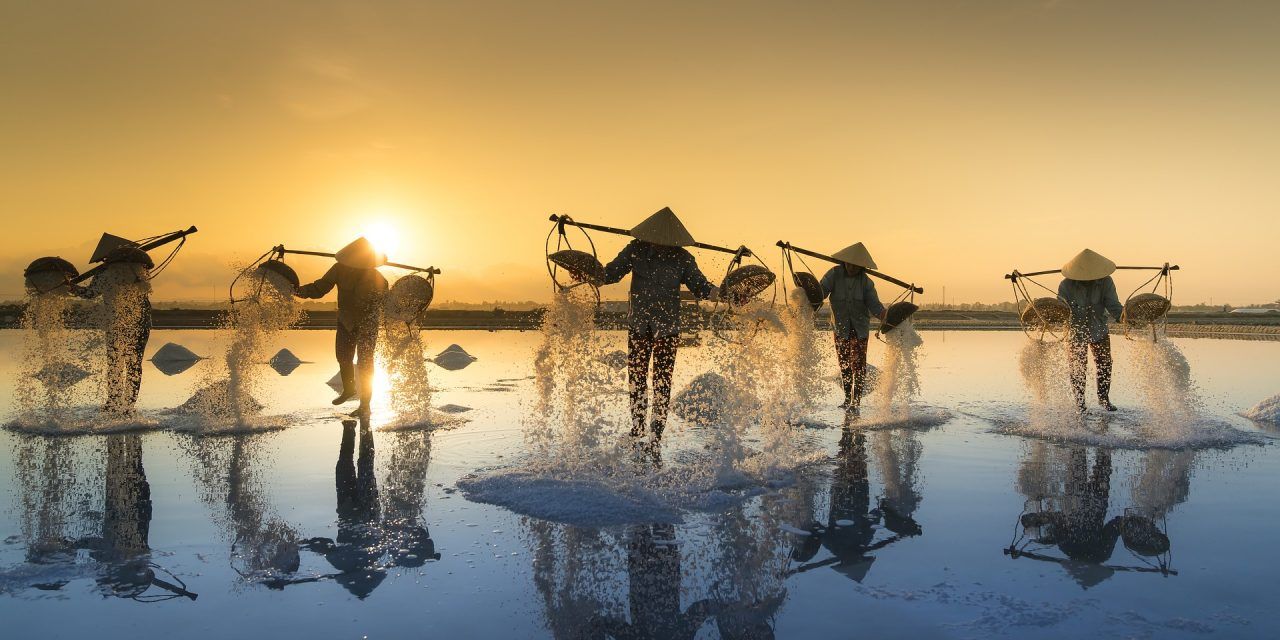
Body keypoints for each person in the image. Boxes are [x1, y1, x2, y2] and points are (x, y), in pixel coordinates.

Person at [602, 207, 719, 441]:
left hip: (667, 329)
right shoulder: (635, 249)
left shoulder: (683, 258)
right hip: (638, 326)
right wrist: (588, 272)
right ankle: (637, 429)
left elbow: (701, 288)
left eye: (664, 243)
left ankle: (656, 435)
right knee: (637, 378)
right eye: (655, 241)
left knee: (662, 381)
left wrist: (724, 293)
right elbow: (610, 274)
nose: (659, 245)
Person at [295, 237, 389, 418]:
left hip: (367, 323)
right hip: (346, 319)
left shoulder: (377, 277)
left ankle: (365, 405)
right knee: (343, 356)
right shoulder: (338, 269)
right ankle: (349, 388)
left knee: (365, 363)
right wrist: (298, 290)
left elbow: (386, 301)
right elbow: (319, 288)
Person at [72, 247, 155, 415]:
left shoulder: (133, 272)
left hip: (135, 325)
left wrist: (72, 288)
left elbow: (89, 293)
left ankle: (124, 405)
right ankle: (117, 403)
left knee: (125, 364)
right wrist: (71, 287)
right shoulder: (132, 272)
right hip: (120, 325)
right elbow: (90, 293)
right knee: (125, 364)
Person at [819, 243, 886, 412]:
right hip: (840, 329)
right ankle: (847, 398)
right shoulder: (833, 275)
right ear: (844, 262)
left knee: (858, 367)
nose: (852, 268)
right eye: (849, 264)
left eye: (856, 266)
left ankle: (856, 402)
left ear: (861, 267)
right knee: (845, 365)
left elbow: (875, 307)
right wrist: (808, 294)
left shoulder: (866, 283)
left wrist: (887, 316)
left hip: (860, 329)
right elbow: (820, 293)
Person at [1058, 249, 1124, 412]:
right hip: (1075, 330)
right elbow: (1060, 310)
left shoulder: (1105, 282)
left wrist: (1124, 317)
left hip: (1098, 327)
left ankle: (1103, 399)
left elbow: (1114, 305)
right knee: (1077, 367)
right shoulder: (1066, 285)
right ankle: (1080, 404)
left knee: (1105, 364)